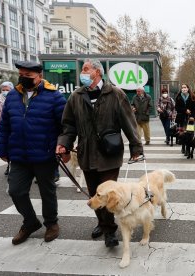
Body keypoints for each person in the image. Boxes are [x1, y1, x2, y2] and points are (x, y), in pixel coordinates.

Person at [56, 58, 143, 248]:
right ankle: (103, 223)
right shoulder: (76, 96)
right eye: (83, 69)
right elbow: (68, 125)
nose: (83, 73)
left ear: (97, 72)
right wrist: (64, 143)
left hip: (109, 154)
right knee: (95, 194)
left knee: (107, 193)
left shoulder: (115, 93)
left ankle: (109, 231)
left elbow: (129, 122)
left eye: (86, 69)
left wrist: (136, 147)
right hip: (86, 153)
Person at [0, 61, 66, 245]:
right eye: (21, 75)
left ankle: (51, 224)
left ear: (39, 76)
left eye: (28, 76)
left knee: (47, 192)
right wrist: (1, 148)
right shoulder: (12, 96)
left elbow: (65, 126)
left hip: (45, 154)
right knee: (16, 191)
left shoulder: (54, 96)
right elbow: (4, 126)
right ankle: (30, 222)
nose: (23, 78)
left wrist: (64, 146)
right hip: (19, 154)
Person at [175, 83, 195, 155]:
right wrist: (185, 110)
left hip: (190, 119)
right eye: (182, 87)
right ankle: (183, 146)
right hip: (181, 118)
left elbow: (194, 109)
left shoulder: (192, 97)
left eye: (185, 87)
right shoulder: (178, 97)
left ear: (188, 88)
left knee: (190, 134)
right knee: (182, 134)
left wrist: (192, 116)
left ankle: (188, 149)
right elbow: (177, 108)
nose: (184, 89)